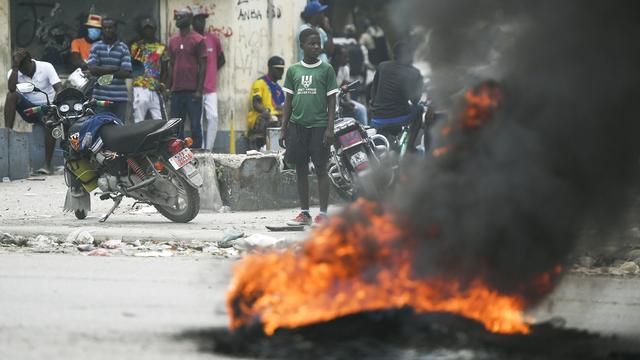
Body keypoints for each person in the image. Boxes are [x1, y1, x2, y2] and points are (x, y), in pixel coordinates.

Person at [280, 28, 338, 226]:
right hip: (297, 127)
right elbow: (288, 101)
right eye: (312, 43)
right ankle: (304, 213)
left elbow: (332, 101)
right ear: (302, 46)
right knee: (301, 170)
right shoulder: (294, 70)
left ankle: (323, 213)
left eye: (318, 43)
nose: (316, 47)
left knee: (322, 169)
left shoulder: (327, 70)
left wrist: (330, 128)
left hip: (320, 127)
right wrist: (283, 128)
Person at [4, 49, 62, 174]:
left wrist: (54, 107)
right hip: (30, 110)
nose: (22, 71)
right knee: (11, 96)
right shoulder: (14, 72)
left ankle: (47, 165)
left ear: (30, 61)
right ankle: (7, 132)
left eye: (23, 66)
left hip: (48, 107)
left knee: (51, 123)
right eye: (19, 67)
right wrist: (15, 67)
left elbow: (59, 89)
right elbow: (11, 89)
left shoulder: (46, 67)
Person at [370, 42, 424, 152]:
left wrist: (374, 107)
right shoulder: (414, 72)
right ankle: (410, 146)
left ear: (394, 55)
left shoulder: (382, 66)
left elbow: (374, 91)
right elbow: (415, 101)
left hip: (377, 118)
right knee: (419, 109)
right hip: (398, 117)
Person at [167, 8, 207, 149]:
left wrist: (199, 90)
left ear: (189, 19)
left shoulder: (198, 39)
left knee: (195, 125)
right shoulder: (172, 41)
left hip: (192, 92)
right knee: (176, 126)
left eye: (181, 17)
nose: (177, 19)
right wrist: (169, 87)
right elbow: (171, 65)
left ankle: (197, 155)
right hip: (177, 91)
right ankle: (178, 155)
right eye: (176, 17)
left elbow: (203, 65)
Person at [192, 6, 225, 150]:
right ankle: (200, 149)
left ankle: (208, 150)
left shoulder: (213, 39)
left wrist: (211, 71)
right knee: (197, 121)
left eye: (203, 19)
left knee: (213, 117)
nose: (201, 22)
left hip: (210, 88)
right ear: (193, 22)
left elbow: (222, 59)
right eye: (198, 19)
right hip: (194, 88)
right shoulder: (190, 39)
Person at [87, 18, 132, 122]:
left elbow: (126, 72)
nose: (108, 30)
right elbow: (92, 70)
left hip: (120, 98)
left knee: (118, 128)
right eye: (105, 28)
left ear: (115, 29)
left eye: (110, 27)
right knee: (99, 127)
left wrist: (101, 70)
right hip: (100, 98)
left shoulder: (123, 48)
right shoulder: (96, 46)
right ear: (102, 29)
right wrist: (114, 68)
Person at [130, 18, 167, 122]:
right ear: (142, 30)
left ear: (154, 29)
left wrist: (163, 85)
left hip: (156, 88)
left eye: (150, 28)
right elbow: (133, 66)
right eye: (145, 29)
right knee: (138, 121)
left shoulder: (161, 47)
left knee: (159, 120)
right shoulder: (136, 46)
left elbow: (165, 69)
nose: (148, 31)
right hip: (139, 88)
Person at [247, 56, 286, 150]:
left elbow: (281, 107)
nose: (281, 71)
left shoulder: (279, 88)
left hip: (276, 117)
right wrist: (267, 113)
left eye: (282, 69)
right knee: (274, 121)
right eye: (278, 69)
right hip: (260, 117)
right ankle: (270, 149)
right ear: (270, 68)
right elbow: (256, 103)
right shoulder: (260, 83)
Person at [330, 45, 368, 125]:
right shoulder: (327, 69)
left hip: (339, 100)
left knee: (361, 109)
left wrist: (349, 101)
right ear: (337, 57)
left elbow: (346, 88)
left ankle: (363, 134)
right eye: (345, 57)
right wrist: (343, 104)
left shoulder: (345, 69)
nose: (348, 60)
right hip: (328, 102)